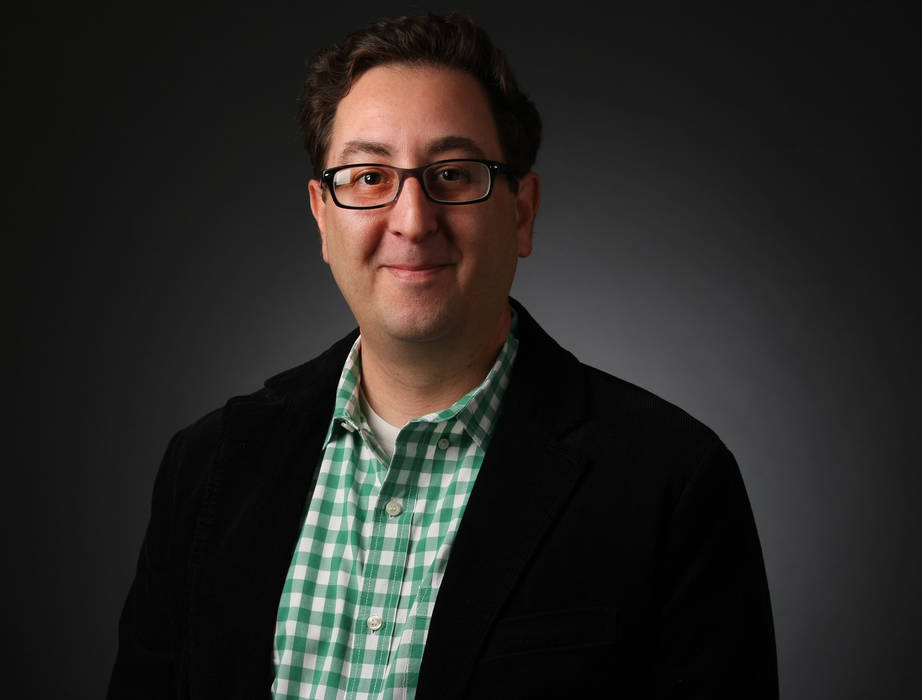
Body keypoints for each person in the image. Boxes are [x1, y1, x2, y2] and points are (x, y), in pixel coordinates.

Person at [108, 12, 777, 699]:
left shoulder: (674, 483)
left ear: (521, 212)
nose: (412, 218)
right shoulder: (208, 468)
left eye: (453, 174)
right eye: (369, 177)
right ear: (322, 216)